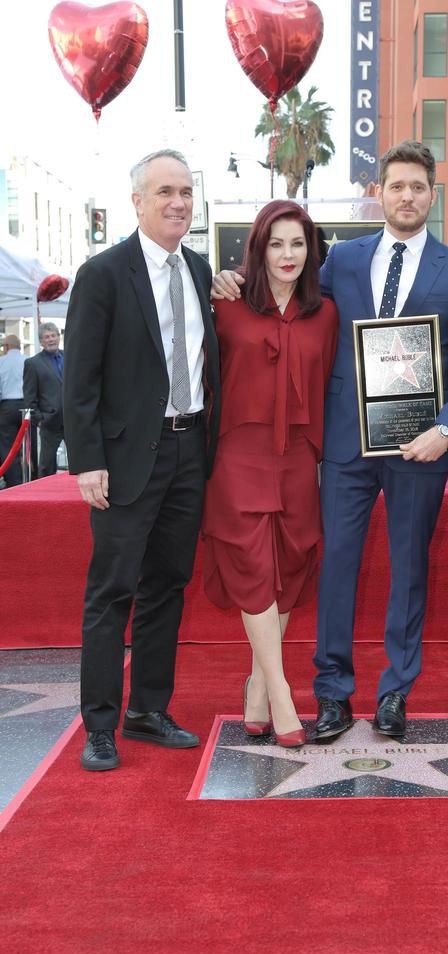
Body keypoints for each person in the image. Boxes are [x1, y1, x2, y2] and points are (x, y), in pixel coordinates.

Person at [213, 141, 448, 739]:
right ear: (381, 193)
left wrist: (445, 429)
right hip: (343, 444)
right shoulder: (339, 261)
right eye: (397, 186)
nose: (407, 196)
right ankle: (333, 693)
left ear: (432, 194)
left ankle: (395, 691)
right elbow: (285, 299)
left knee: (409, 568)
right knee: (336, 564)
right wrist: (229, 282)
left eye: (418, 186)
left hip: (421, 446)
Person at [63, 149, 220, 772]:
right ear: (137, 201)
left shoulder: (202, 271)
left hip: (188, 451)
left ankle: (148, 710)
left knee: (167, 587)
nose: (178, 202)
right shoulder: (103, 273)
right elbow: (81, 378)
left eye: (185, 191)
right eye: (164, 192)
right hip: (126, 460)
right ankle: (99, 725)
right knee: (112, 592)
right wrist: (87, 461)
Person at [203, 200, 338, 748]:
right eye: (276, 244)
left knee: (290, 563)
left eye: (298, 244)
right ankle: (282, 692)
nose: (288, 255)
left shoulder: (325, 313)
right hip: (238, 453)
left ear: (312, 251)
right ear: (257, 249)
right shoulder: (225, 304)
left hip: (299, 459)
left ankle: (256, 686)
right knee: (254, 563)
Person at [22, 323, 64, 478]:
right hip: (49, 421)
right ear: (41, 342)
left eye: (54, 335)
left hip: (73, 420)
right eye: (47, 337)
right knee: (47, 465)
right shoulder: (33, 363)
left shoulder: (70, 357)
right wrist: (39, 419)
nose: (51, 339)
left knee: (79, 463)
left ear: (59, 337)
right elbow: (29, 395)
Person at [0, 334, 26, 487]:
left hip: (7, 407)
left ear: (6, 347)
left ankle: (14, 482)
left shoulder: (1, 362)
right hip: (26, 406)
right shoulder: (28, 360)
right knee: (28, 444)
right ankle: (31, 478)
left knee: (7, 446)